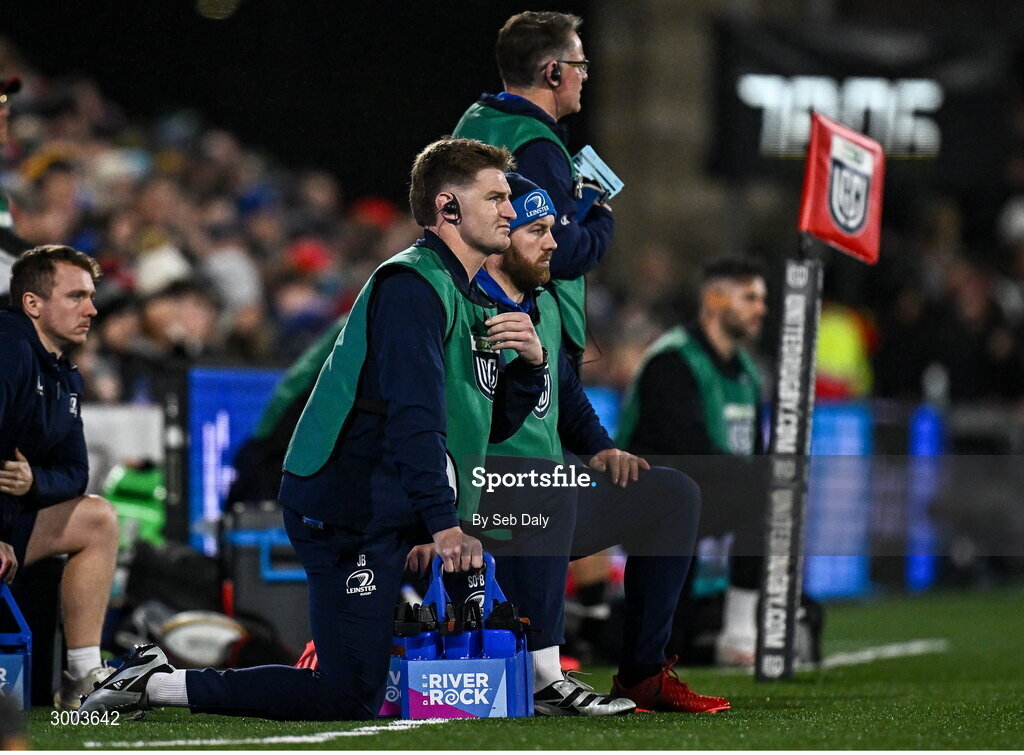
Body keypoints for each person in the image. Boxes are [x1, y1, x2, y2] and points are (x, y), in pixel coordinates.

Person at [81, 137, 548, 721]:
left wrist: (532, 367)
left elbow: (487, 421)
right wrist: (443, 524)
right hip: (348, 508)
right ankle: (158, 684)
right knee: (347, 693)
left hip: (386, 505)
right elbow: (415, 419)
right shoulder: (412, 287)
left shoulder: (468, 294)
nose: (511, 209)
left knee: (360, 685)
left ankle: (160, 681)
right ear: (449, 208)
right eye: (497, 197)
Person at [409, 174, 730, 715]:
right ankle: (544, 675)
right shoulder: (461, 306)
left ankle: (643, 674)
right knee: (547, 485)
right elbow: (457, 423)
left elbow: (567, 393)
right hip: (482, 503)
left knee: (672, 493)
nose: (553, 243)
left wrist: (602, 448)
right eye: (538, 231)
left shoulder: (546, 303)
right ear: (500, 235)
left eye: (552, 229)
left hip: (541, 497)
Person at [617, 257, 768, 667]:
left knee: (772, 494)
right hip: (647, 501)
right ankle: (734, 635)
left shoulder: (746, 373)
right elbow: (684, 449)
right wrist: (757, 479)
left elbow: (753, 452)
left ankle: (739, 633)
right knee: (663, 644)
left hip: (698, 498)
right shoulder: (673, 360)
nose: (761, 308)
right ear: (715, 300)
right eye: (750, 297)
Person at [453, 10, 614, 370]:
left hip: (473, 312)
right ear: (553, 72)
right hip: (527, 331)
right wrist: (602, 218)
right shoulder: (537, 147)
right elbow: (559, 252)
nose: (585, 75)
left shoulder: (477, 120)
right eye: (580, 64)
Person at [0, 245, 120, 708]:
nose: (91, 309)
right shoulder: (8, 349)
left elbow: (76, 474)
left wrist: (33, 484)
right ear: (32, 304)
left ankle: (82, 678)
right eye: (75, 296)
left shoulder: (63, 374)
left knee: (98, 520)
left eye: (90, 296)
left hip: (12, 525)